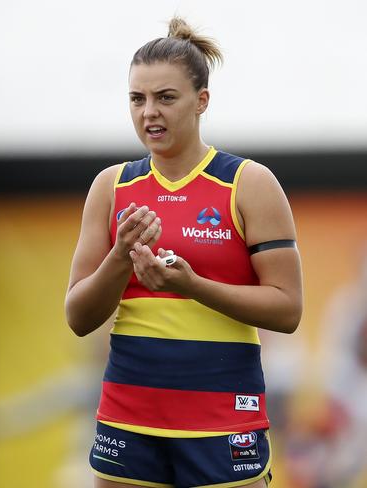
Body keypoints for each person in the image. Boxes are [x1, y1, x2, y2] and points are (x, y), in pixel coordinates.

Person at [65, 17, 302, 488]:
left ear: (202, 101)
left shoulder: (248, 184)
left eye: (166, 97)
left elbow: (287, 309)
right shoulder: (111, 187)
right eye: (138, 99)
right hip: (128, 419)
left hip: (223, 421)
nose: (149, 112)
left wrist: (190, 285)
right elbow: (77, 316)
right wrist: (120, 256)